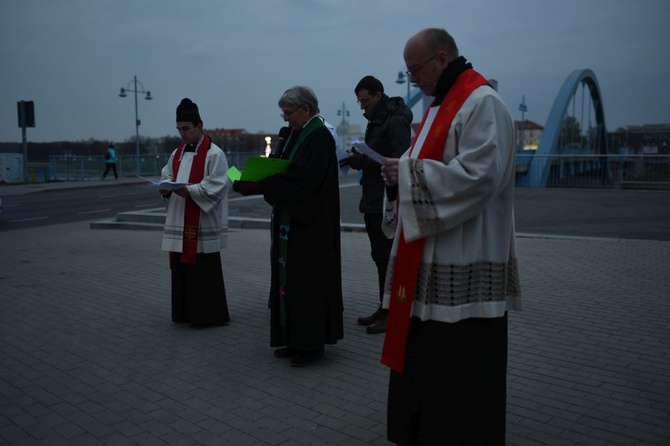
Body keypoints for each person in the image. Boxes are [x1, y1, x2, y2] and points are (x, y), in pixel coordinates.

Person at [379, 28, 522, 445]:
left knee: (460, 362)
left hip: (465, 256)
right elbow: (419, 162)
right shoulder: (438, 107)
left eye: (415, 70)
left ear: (442, 59)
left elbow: (480, 178)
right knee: (426, 356)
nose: (412, 80)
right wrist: (396, 170)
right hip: (428, 257)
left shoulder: (483, 104)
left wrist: (405, 173)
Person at [233, 86, 343, 367]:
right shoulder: (295, 133)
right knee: (290, 284)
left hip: (310, 225)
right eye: (284, 113)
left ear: (306, 109)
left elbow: (305, 182)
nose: (285, 119)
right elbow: (284, 168)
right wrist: (255, 177)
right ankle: (293, 339)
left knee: (307, 284)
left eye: (289, 113)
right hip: (292, 221)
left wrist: (265, 183)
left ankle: (310, 346)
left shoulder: (318, 136)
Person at [341, 75, 412, 334]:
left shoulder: (395, 121)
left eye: (365, 100)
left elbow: (400, 160)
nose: (362, 106)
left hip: (387, 201)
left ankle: (391, 313)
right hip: (373, 198)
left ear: (379, 95)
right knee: (380, 257)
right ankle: (383, 308)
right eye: (359, 102)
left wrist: (361, 160)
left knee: (387, 258)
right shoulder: (377, 120)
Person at [159, 98, 231, 327]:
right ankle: (184, 313)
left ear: (200, 126)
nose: (182, 134)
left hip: (202, 222)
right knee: (182, 270)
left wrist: (188, 191)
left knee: (203, 271)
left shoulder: (214, 154)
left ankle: (207, 315)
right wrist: (166, 187)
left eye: (186, 128)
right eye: (179, 129)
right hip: (180, 219)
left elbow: (218, 185)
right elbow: (166, 174)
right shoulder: (176, 154)